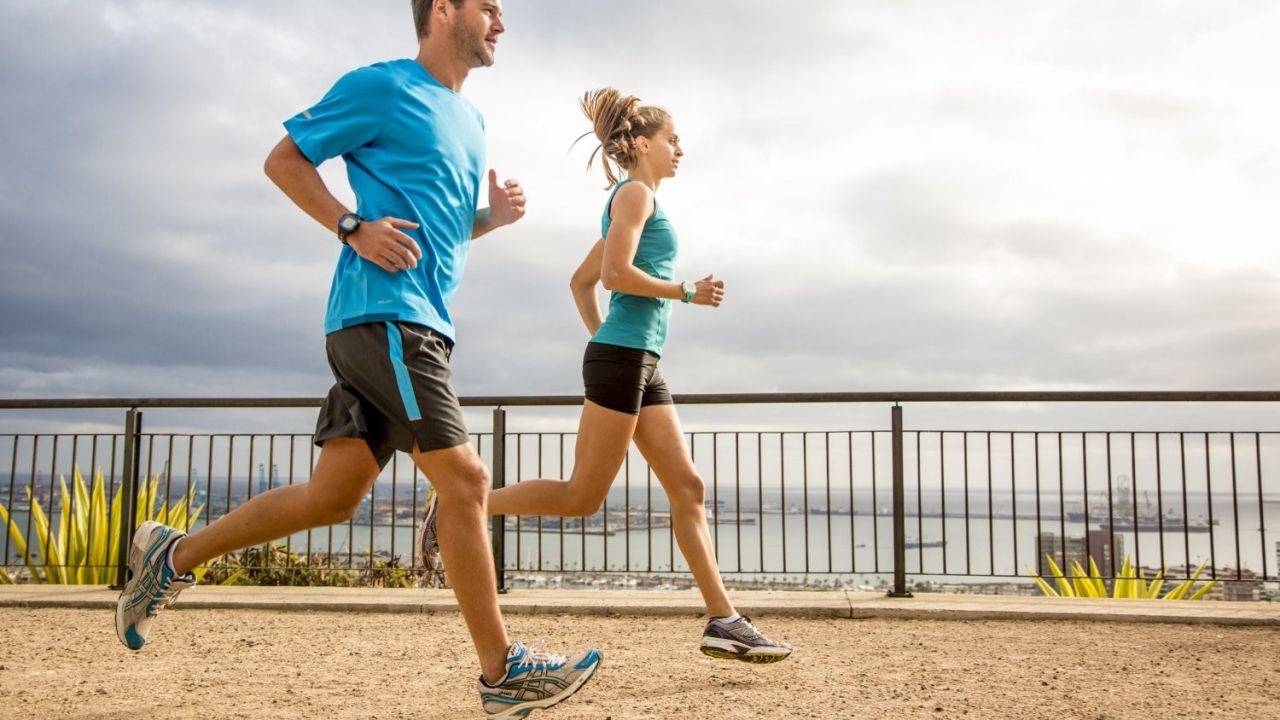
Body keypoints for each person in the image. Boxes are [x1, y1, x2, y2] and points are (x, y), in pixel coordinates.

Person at [114, 2, 601, 717]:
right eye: (487, 5)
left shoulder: (471, 118)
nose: (501, 18)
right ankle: (503, 673)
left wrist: (490, 219)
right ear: (443, 10)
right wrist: (351, 227)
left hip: (415, 322)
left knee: (332, 497)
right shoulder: (382, 87)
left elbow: (438, 230)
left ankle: (172, 557)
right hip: (387, 319)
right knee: (465, 479)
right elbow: (284, 159)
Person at [420, 87, 791, 664]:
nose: (679, 150)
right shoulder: (636, 195)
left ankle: (725, 621)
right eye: (673, 140)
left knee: (688, 487)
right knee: (580, 498)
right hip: (625, 359)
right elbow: (615, 274)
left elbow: (581, 280)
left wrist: (606, 339)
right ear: (643, 144)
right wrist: (684, 291)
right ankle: (462, 507)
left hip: (638, 360)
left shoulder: (632, 201)